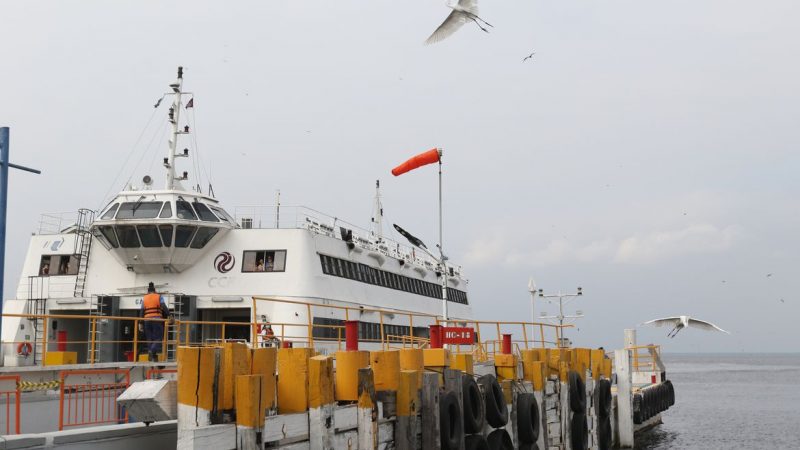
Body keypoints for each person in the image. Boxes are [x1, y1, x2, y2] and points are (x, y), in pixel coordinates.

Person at [139, 282, 169, 362]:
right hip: (157, 319)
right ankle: (152, 351)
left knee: (149, 338)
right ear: (154, 290)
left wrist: (140, 323)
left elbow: (142, 311)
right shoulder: (159, 296)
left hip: (147, 320)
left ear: (148, 291)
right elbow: (163, 306)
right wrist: (170, 315)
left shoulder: (144, 298)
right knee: (158, 338)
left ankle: (153, 355)